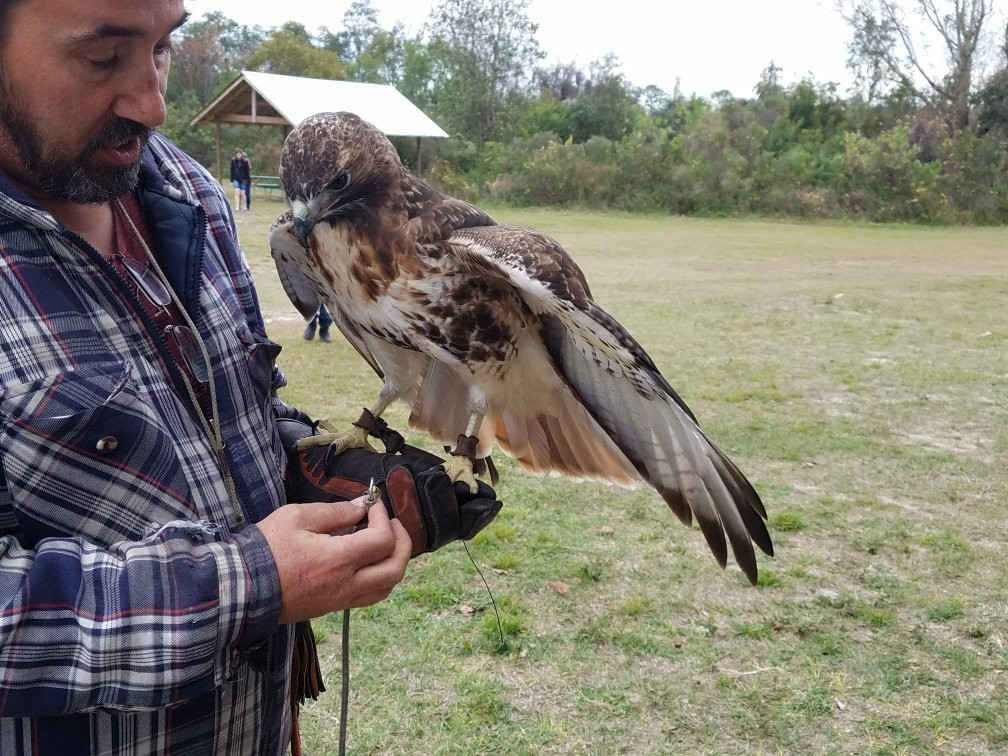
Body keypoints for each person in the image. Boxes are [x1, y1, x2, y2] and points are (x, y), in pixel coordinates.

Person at [0, 1, 499, 753]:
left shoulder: (187, 194)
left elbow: (223, 410)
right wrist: (249, 583)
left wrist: (311, 467)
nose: (153, 102)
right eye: (104, 58)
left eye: (163, 48)